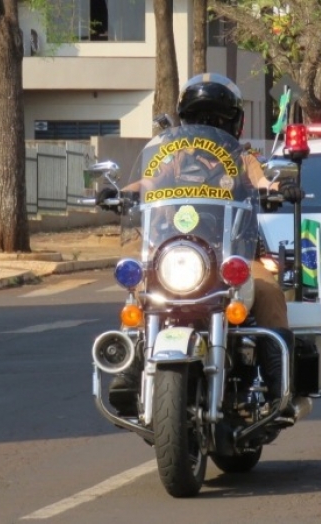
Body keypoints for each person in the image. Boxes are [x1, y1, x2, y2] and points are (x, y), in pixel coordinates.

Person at [104, 73, 303, 418]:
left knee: (268, 291)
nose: (207, 126)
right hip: (178, 252)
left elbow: (261, 181)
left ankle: (277, 387)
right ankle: (129, 369)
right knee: (139, 286)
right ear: (186, 122)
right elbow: (148, 179)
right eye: (199, 119)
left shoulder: (243, 157)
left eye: (216, 120)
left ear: (232, 123)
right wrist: (121, 193)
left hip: (234, 252)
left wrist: (276, 190)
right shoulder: (174, 158)